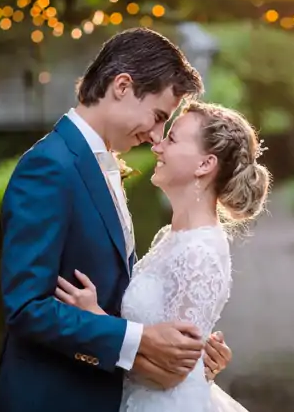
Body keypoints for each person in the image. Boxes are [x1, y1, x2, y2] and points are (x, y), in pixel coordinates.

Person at [0, 28, 233, 412]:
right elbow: (27, 307)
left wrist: (186, 357)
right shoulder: (50, 166)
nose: (155, 135)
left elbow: (119, 292)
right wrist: (142, 340)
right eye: (158, 115)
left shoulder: (99, 162)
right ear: (122, 85)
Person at [56, 101, 271, 411]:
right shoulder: (170, 238)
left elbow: (172, 374)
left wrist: (96, 320)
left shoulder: (199, 252)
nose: (157, 145)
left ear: (204, 165)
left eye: (172, 138)